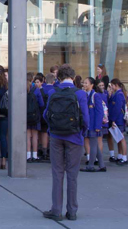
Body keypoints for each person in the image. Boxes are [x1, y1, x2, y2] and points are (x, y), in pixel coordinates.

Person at [43, 64, 88, 222]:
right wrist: (81, 133)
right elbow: (86, 119)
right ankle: (72, 211)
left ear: (59, 78)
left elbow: (46, 114)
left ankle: (56, 209)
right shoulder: (80, 94)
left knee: (57, 173)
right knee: (72, 174)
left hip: (56, 136)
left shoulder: (53, 92)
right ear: (73, 77)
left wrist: (51, 129)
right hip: (74, 137)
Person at [81, 77, 106, 172]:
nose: (84, 85)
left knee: (93, 145)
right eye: (84, 83)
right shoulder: (86, 95)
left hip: (93, 125)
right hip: (89, 125)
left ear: (92, 85)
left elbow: (100, 112)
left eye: (86, 83)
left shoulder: (95, 96)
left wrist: (98, 126)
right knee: (94, 145)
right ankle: (102, 165)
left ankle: (91, 165)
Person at [107, 78, 128, 165]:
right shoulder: (118, 94)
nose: (111, 87)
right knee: (119, 139)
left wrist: (113, 120)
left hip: (118, 119)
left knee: (121, 138)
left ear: (115, 85)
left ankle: (124, 157)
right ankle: (120, 156)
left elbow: (117, 108)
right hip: (118, 119)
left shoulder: (119, 95)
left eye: (112, 85)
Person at [27, 74, 45, 163]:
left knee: (27, 136)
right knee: (35, 136)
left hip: (25, 115)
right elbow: (41, 104)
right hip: (35, 115)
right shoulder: (36, 90)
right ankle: (35, 155)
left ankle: (28, 155)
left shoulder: (23, 89)